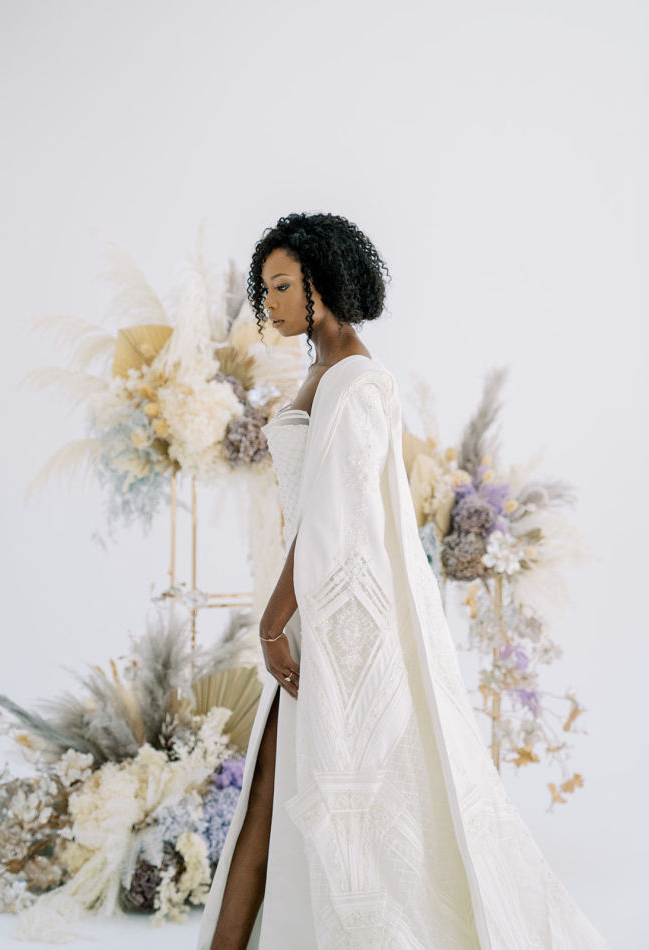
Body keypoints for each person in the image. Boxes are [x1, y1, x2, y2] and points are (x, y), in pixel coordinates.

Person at [196, 213, 610, 950]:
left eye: (284, 285)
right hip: (316, 605)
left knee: (296, 790)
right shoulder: (323, 372)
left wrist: (272, 620)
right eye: (266, 289)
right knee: (268, 787)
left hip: (342, 615)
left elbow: (334, 516)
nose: (271, 303)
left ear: (323, 282)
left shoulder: (357, 380)